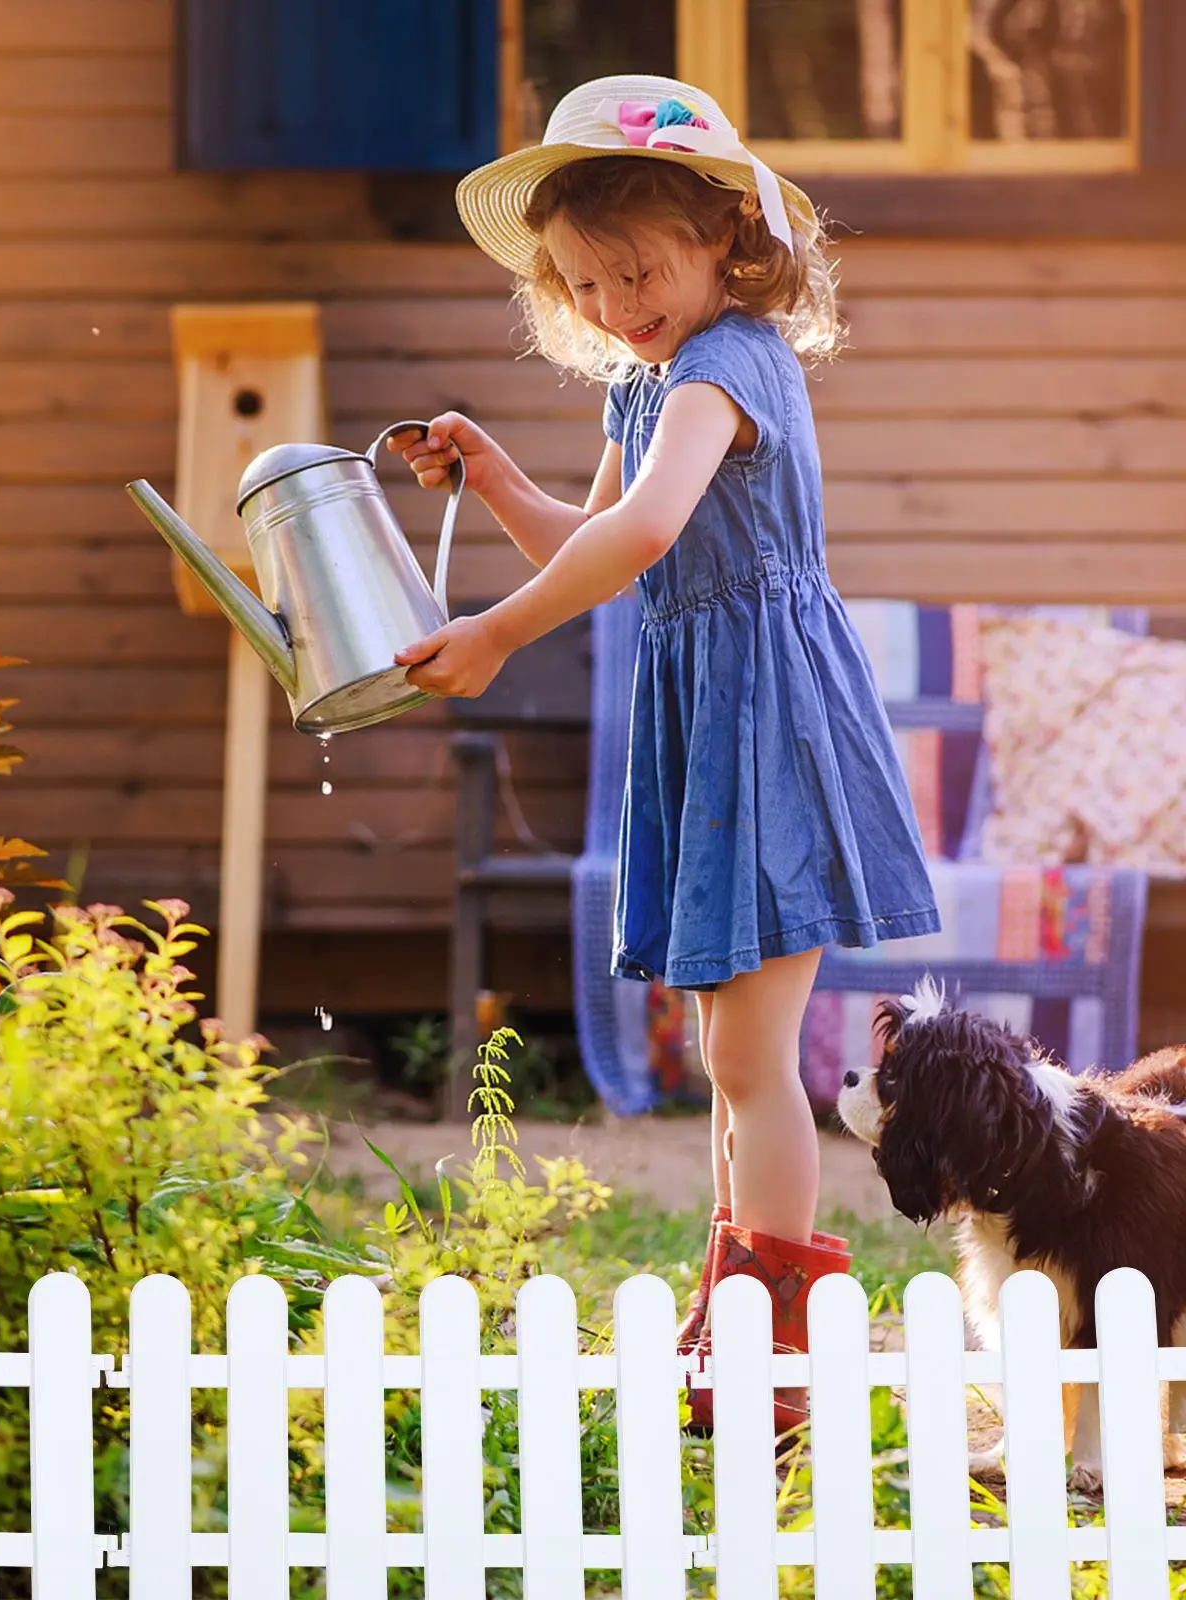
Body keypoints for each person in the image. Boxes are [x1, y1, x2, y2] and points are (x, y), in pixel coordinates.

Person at [390, 75, 940, 1434]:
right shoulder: (649, 385)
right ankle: (734, 1316)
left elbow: (638, 537)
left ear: (728, 242)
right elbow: (601, 539)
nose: (613, 302)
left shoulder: (731, 363)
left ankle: (776, 1359)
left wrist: (500, 634)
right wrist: (498, 479)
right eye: (582, 282)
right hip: (710, 719)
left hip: (770, 721)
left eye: (637, 269)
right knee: (722, 1052)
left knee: (755, 1059)